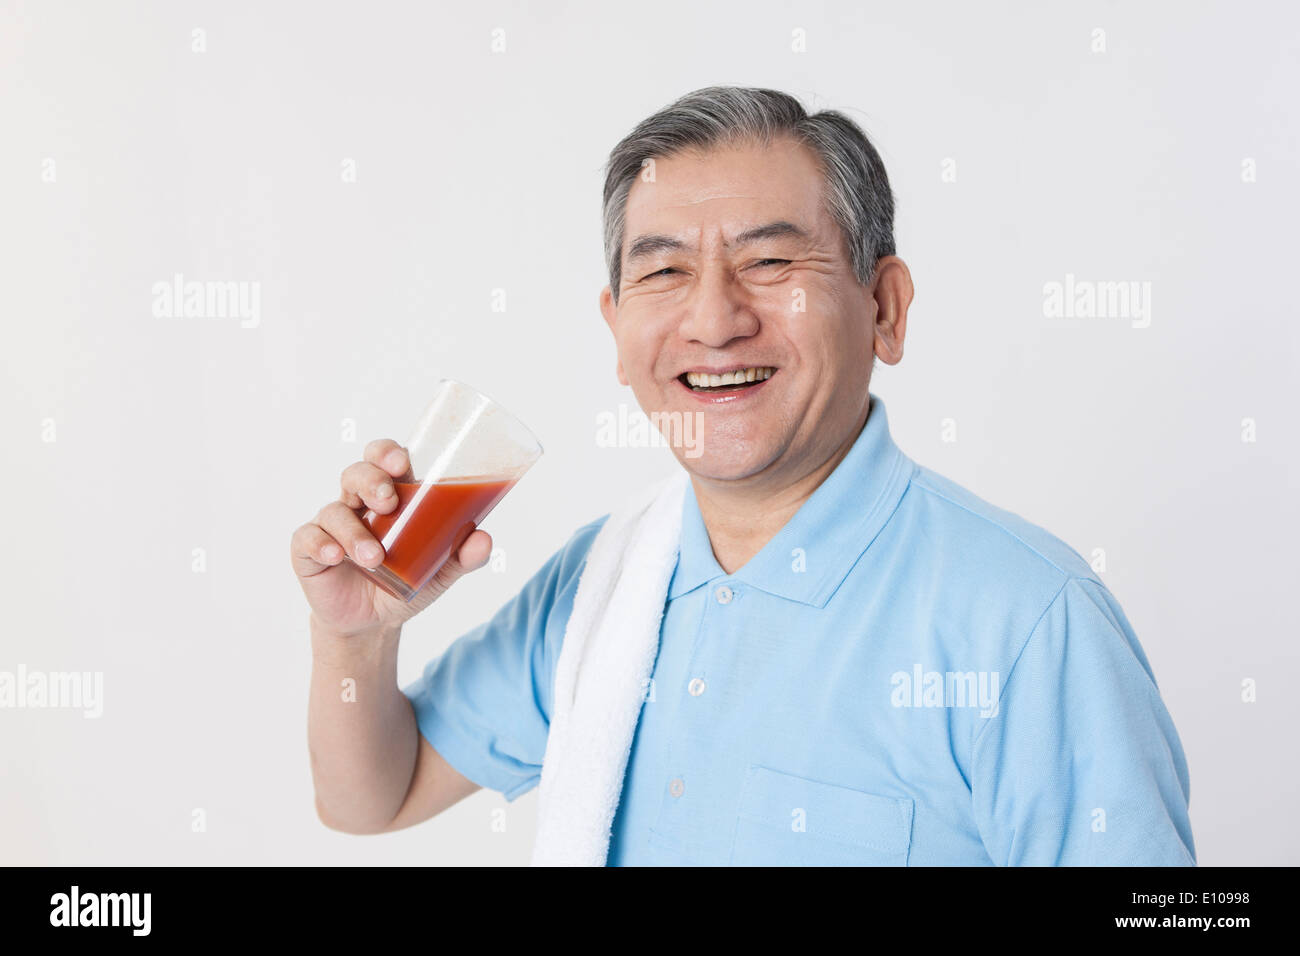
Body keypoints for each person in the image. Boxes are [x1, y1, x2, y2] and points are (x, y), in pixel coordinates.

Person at [291, 86, 1195, 866]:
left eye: (768, 262)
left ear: (884, 308)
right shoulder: (606, 584)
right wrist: (357, 639)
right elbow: (376, 794)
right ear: (617, 330)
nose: (714, 319)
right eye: (665, 271)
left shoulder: (1032, 623)